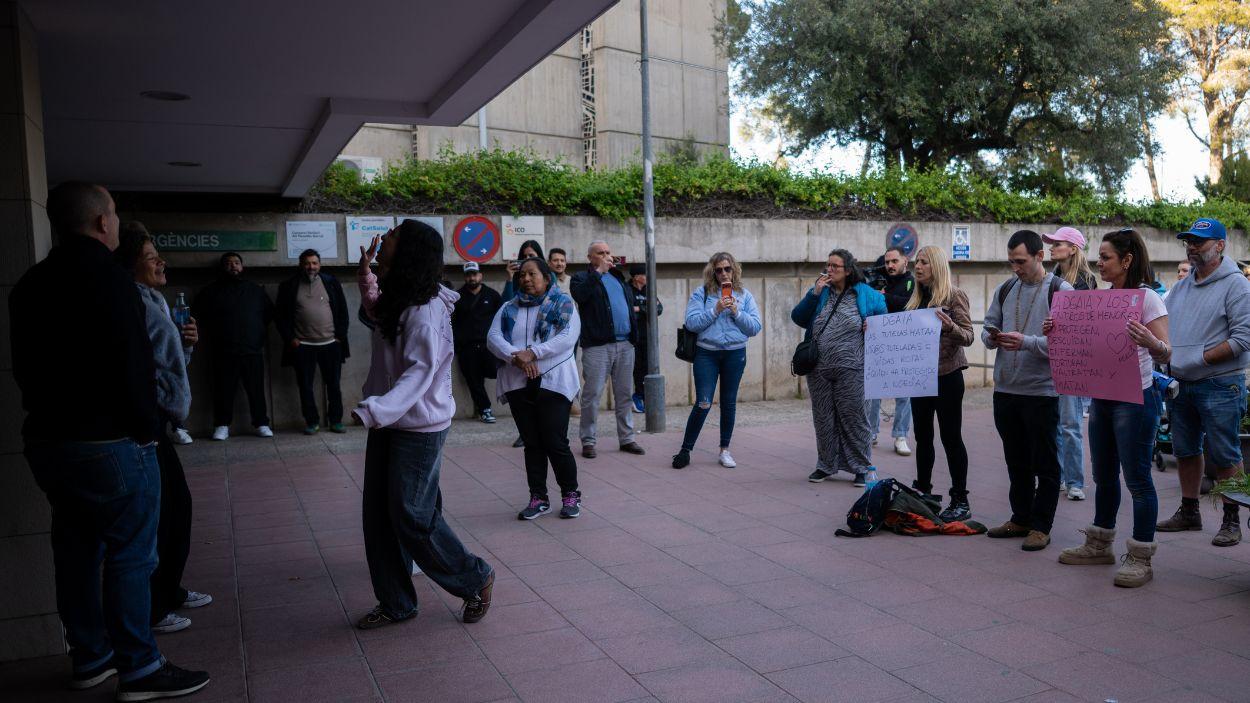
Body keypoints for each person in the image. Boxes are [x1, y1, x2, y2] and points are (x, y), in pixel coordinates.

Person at [11, 182, 209, 699]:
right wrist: (145, 430)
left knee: (76, 549)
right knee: (131, 555)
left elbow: (25, 369)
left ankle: (90, 656)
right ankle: (140, 666)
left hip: (49, 441)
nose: (117, 222)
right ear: (102, 222)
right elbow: (134, 366)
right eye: (115, 214)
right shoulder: (112, 281)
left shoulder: (30, 283)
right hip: (111, 442)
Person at [354, 221, 496, 629]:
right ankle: (396, 602)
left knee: (411, 515)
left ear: (410, 250)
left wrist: (376, 409)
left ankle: (474, 577)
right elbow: (377, 312)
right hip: (391, 420)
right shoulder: (403, 297)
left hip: (418, 426)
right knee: (379, 516)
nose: (385, 236)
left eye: (395, 234)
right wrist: (367, 276)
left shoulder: (426, 310)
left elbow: (420, 372)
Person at [1050, 228, 1169, 587]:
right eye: (1099, 257)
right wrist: (1058, 331)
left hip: (1137, 399)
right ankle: (1100, 543)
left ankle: (1141, 556)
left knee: (1138, 479)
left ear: (1127, 260)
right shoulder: (1102, 299)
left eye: (1106, 257)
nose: (1099, 263)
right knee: (1103, 475)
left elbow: (1167, 352)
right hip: (1102, 397)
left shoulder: (1148, 299)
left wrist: (1151, 341)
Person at [114, 223, 214, 635]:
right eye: (152, 258)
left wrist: (187, 344)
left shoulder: (155, 300)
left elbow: (169, 365)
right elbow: (141, 367)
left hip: (159, 420)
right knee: (163, 515)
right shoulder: (132, 303)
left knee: (177, 507)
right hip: (147, 421)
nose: (162, 263)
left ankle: (169, 589)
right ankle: (155, 605)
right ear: (131, 266)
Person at [1157, 218, 1250, 547]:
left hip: (1220, 384)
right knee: (1185, 450)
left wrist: (1195, 358)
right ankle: (1190, 512)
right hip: (1181, 383)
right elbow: (1164, 327)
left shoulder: (1237, 285)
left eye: (1199, 241)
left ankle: (1231, 520)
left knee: (1225, 455)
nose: (1192, 247)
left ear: (1220, 245)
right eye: (1189, 241)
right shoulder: (1181, 287)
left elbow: (1242, 339)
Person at [982, 230, 1073, 552]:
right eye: (1011, 262)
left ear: (1039, 256)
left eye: (1020, 261)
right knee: (1016, 460)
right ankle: (1020, 517)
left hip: (1042, 391)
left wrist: (1027, 342)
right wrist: (992, 337)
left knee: (1045, 464)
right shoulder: (1006, 288)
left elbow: (1069, 344)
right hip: (1006, 389)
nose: (1015, 268)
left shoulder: (1061, 290)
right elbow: (987, 328)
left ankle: (1041, 526)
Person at [487, 257, 583, 518]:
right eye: (522, 275)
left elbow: (567, 338)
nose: (526, 279)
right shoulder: (508, 307)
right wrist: (516, 358)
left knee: (555, 441)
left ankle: (570, 494)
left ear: (546, 277)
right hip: (518, 382)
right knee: (532, 443)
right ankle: (538, 497)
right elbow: (493, 338)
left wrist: (533, 353)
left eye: (532, 274)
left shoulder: (564, 304)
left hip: (553, 382)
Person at [793, 249, 887, 486]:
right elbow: (798, 318)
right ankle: (825, 465)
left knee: (855, 417)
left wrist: (872, 326)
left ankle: (861, 467)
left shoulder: (866, 294)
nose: (830, 269)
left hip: (853, 367)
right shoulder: (820, 292)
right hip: (819, 369)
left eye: (835, 266)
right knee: (823, 418)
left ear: (848, 270)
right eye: (828, 265)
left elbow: (884, 322)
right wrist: (814, 294)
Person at [671, 253, 762, 470]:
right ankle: (685, 450)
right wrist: (715, 310)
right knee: (703, 402)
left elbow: (755, 327)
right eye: (718, 270)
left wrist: (736, 312)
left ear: (734, 270)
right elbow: (691, 323)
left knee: (728, 403)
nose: (723, 273)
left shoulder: (744, 295)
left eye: (727, 269)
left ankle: (724, 450)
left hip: (735, 354)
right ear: (712, 272)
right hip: (707, 354)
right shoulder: (702, 293)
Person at [904, 246, 975, 521]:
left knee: (951, 437)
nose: (918, 267)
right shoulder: (915, 299)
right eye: (917, 262)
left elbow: (968, 336)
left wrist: (949, 327)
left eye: (924, 262)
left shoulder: (954, 295)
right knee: (923, 437)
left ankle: (960, 499)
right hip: (919, 378)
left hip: (947, 376)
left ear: (937, 266)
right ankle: (924, 491)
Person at [571, 240, 647, 458]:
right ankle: (588, 441)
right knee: (592, 395)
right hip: (597, 346)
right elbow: (580, 296)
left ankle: (627, 439)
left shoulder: (617, 277)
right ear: (590, 257)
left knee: (624, 395)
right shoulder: (581, 278)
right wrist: (598, 272)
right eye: (600, 253)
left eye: (608, 252)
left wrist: (633, 337)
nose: (606, 256)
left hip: (625, 345)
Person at [192, 251, 274, 440]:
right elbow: (197, 315)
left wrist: (256, 335)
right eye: (229, 263)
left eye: (236, 262)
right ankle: (222, 425)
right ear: (223, 267)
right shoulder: (210, 291)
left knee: (256, 390)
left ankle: (261, 423)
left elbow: (269, 314)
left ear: (242, 267)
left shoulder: (255, 290)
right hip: (224, 351)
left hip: (252, 350)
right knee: (223, 391)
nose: (233, 266)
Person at [1044, 226, 1098, 501]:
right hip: (1049, 356)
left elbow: (1085, 323)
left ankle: (1075, 482)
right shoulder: (1050, 278)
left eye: (1058, 244)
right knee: (1054, 424)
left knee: (1070, 424)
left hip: (1073, 360)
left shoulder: (1087, 280)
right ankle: (1060, 478)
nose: (1052, 248)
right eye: (1051, 243)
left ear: (1073, 249)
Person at [276, 249, 351, 435]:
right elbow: (281, 317)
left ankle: (336, 421)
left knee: (334, 385)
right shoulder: (288, 286)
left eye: (314, 263)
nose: (311, 267)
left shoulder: (331, 282)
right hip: (303, 346)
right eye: (307, 263)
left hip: (331, 344)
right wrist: (291, 339)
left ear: (320, 265)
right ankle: (312, 422)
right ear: (301, 265)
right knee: (305, 386)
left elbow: (343, 311)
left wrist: (339, 337)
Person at [866, 246, 914, 456]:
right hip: (879, 345)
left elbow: (910, 305)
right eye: (887, 262)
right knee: (873, 392)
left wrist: (884, 297)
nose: (890, 265)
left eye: (894, 261)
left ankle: (900, 436)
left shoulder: (913, 282)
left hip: (904, 346)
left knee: (904, 394)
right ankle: (870, 432)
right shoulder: (877, 279)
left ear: (905, 261)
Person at [452, 261, 504, 423]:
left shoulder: (492, 295)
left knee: (496, 371)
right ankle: (484, 409)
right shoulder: (457, 297)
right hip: (467, 347)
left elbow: (502, 318)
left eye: (474, 274)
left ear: (480, 275)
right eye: (468, 275)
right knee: (473, 380)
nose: (472, 278)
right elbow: (452, 322)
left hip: (489, 346)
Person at [628, 262, 663, 414]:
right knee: (637, 368)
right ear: (636, 277)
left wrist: (640, 309)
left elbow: (658, 309)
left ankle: (646, 397)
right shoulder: (627, 289)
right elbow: (628, 310)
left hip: (648, 337)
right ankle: (637, 397)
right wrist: (646, 309)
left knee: (649, 367)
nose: (648, 277)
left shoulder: (649, 290)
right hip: (632, 337)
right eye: (645, 274)